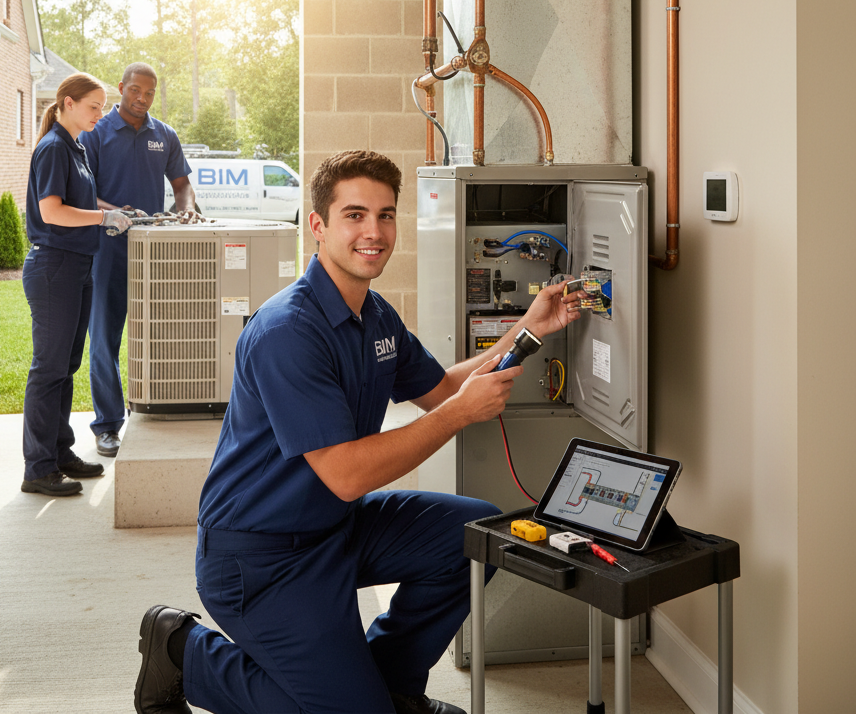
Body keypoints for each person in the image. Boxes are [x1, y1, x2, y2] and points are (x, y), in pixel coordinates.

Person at [131, 150, 585, 714]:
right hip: (259, 558)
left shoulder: (375, 315)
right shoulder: (288, 331)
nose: (374, 232)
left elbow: (443, 390)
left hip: (334, 529)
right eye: (355, 215)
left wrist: (529, 328)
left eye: (386, 215)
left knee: (472, 534)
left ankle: (390, 683)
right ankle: (184, 655)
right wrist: (458, 415)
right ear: (318, 226)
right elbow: (348, 473)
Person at [21, 73, 133, 498]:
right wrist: (103, 219)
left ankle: (60, 453)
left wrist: (114, 210)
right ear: (68, 103)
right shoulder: (53, 148)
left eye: (102, 106)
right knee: (48, 369)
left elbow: (81, 204)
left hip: (78, 265)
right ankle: (38, 468)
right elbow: (52, 212)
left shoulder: (77, 147)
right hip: (55, 267)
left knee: (65, 368)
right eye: (94, 106)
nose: (100, 114)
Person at [81, 62, 195, 457]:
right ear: (121, 88)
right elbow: (83, 197)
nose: (141, 98)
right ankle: (108, 425)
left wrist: (187, 209)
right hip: (106, 251)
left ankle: (160, 409)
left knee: (161, 338)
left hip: (154, 254)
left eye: (148, 92)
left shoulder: (164, 136)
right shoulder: (96, 134)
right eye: (134, 90)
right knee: (104, 341)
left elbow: (182, 186)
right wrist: (116, 213)